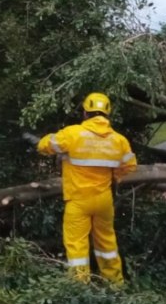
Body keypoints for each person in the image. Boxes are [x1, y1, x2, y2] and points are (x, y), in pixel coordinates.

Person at [32, 92, 137, 285]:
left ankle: (80, 289)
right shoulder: (119, 140)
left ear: (85, 113)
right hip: (104, 200)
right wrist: (116, 176)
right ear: (107, 115)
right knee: (107, 243)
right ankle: (115, 284)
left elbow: (45, 145)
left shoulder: (73, 134)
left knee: (77, 246)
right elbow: (129, 165)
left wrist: (44, 143)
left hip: (78, 200)